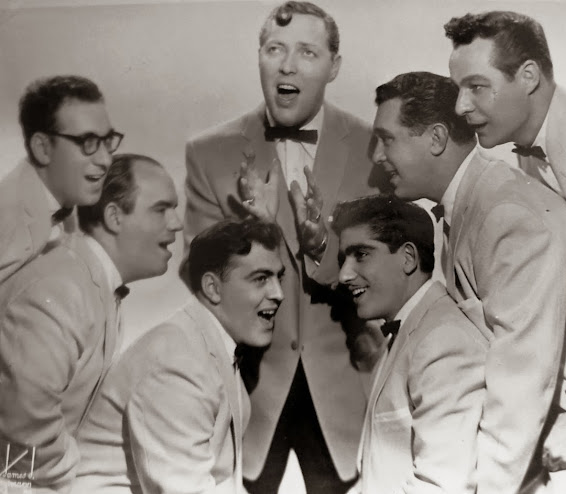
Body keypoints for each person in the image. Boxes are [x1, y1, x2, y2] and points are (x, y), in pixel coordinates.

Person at [372, 71, 566, 494]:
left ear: (436, 138)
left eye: (387, 139)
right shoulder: (475, 201)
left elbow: (521, 380)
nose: (377, 156)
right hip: (546, 445)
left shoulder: (505, 214)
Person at [182, 2, 384, 492]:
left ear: (334, 66)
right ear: (259, 57)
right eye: (275, 49)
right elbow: (199, 277)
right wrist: (257, 233)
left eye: (307, 52)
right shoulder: (209, 151)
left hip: (344, 387)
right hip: (248, 390)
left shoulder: (373, 148)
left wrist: (322, 247)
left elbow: (385, 270)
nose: (288, 66)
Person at [446, 11, 566, 493]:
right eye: (458, 89)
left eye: (477, 87)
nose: (461, 106)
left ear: (529, 76)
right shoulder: (532, 149)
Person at [0, 153, 182, 493]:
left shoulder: (93, 284)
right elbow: (24, 429)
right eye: (161, 209)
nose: (177, 224)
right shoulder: (63, 286)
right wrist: (72, 478)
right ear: (114, 217)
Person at [71, 218, 284, 494]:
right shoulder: (179, 361)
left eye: (279, 277)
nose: (278, 294)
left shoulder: (209, 344)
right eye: (261, 279)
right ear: (213, 288)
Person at [331, 194, 487, 494]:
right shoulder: (413, 329)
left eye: (361, 254)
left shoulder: (442, 341)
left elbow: (441, 486)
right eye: (343, 260)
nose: (344, 275)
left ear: (408, 258)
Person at [0, 75, 123, 285]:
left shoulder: (61, 203)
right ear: (43, 148)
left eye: (107, 140)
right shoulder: (10, 223)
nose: (105, 160)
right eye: (88, 142)